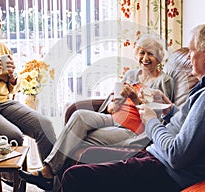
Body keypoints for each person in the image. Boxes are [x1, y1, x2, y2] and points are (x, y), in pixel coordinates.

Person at [59, 22, 205, 192]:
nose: (190, 56)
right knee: (88, 152)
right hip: (157, 154)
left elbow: (176, 155)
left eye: (192, 51)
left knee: (74, 177)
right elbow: (196, 123)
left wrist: (150, 120)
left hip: (166, 170)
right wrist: (170, 109)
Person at [18, 34, 175, 191]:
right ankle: (51, 175)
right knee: (79, 116)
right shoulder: (131, 75)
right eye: (142, 53)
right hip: (113, 119)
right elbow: (111, 106)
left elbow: (160, 116)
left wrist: (136, 100)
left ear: (159, 57)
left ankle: (50, 177)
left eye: (150, 53)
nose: (145, 58)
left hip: (134, 131)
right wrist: (114, 103)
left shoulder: (164, 81)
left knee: (74, 138)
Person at [0, 1, 57, 183]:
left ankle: (51, 178)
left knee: (44, 126)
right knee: (13, 135)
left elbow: (13, 87)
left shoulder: (2, 48)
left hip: (4, 103)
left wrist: (13, 79)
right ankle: (14, 180)